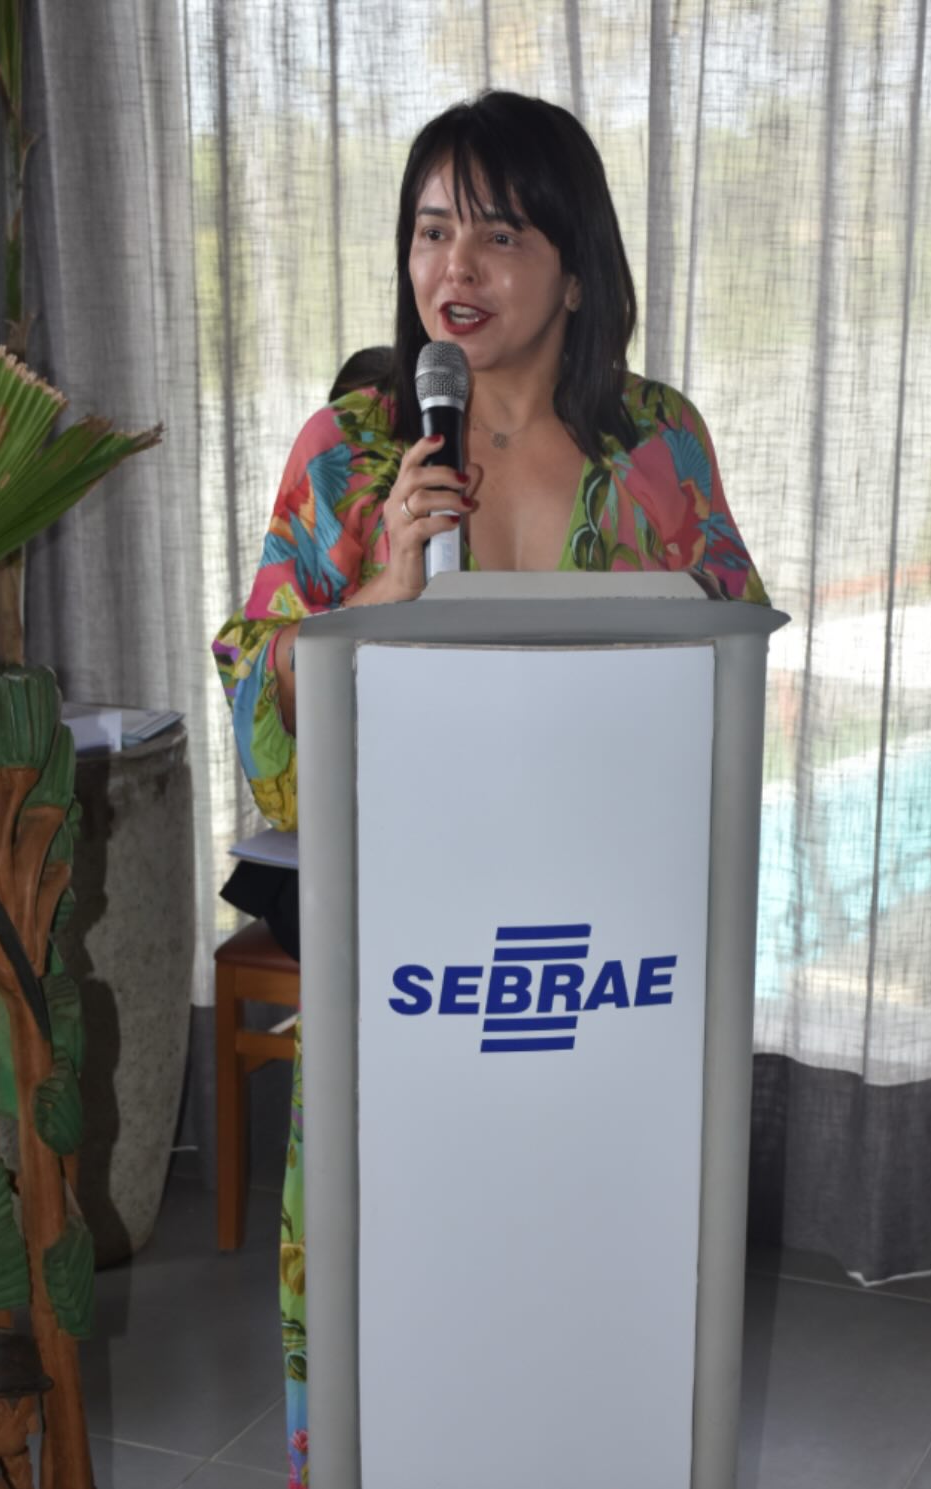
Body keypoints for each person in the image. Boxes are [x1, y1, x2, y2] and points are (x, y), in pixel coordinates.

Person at [212, 89, 768, 1489]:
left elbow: (733, 666)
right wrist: (379, 597)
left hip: (606, 980)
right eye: (429, 230)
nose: (452, 268)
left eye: (499, 234)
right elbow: (260, 703)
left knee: (594, 1306)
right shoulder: (352, 447)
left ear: (577, 268)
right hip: (404, 974)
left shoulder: (657, 445)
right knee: (393, 1320)